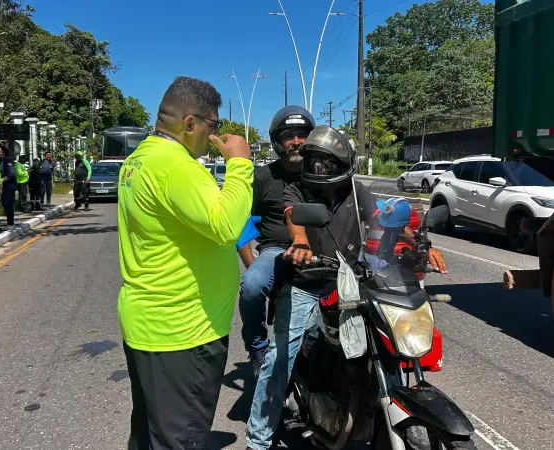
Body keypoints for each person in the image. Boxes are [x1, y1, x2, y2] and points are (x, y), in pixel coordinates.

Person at [117, 76, 253, 450]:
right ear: (190, 123)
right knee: (180, 440)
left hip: (151, 326)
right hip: (183, 333)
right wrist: (240, 164)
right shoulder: (176, 166)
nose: (215, 135)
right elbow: (226, 225)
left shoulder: (139, 159)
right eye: (213, 125)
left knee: (150, 434)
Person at [245, 126, 378, 450]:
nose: (321, 168)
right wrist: (301, 241)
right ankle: (258, 441)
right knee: (280, 356)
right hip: (306, 283)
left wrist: (410, 242)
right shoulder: (297, 188)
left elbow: (379, 220)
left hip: (350, 282)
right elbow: (294, 217)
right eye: (315, 161)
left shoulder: (356, 191)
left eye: (327, 162)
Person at [236, 105, 315, 376]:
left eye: (302, 135)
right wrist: (252, 264)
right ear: (278, 142)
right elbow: (242, 222)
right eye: (289, 136)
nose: (296, 141)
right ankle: (257, 347)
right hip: (276, 251)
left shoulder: (321, 173)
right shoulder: (262, 177)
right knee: (252, 286)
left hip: (321, 248)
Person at [0, 145, 17, 230]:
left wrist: (1, 180)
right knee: (5, 204)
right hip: (3, 186)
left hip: (9, 185)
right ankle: (9, 222)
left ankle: (11, 223)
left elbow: (11, 174)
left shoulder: (7, 160)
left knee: (8, 204)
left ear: (4, 152)